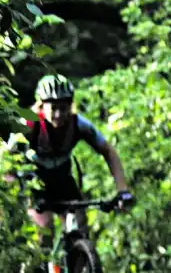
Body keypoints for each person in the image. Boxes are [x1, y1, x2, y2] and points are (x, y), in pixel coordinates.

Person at [12, 73, 133, 230]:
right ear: (41, 106)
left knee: (80, 224)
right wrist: (12, 189)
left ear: (70, 106)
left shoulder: (79, 124)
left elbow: (108, 152)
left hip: (62, 177)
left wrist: (122, 190)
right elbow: (6, 157)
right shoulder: (29, 123)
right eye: (53, 108)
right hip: (34, 179)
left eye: (64, 108)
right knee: (44, 227)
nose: (59, 115)